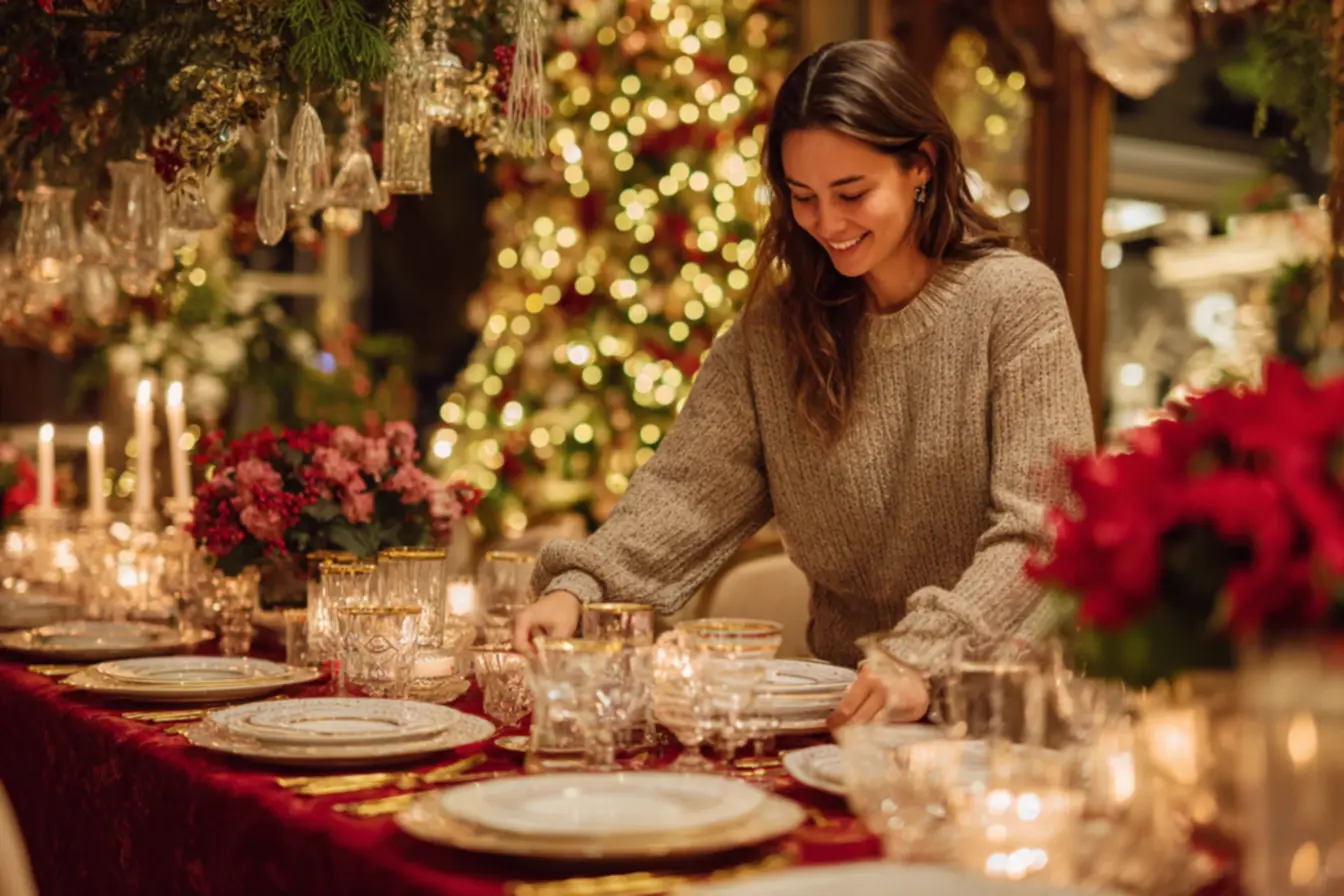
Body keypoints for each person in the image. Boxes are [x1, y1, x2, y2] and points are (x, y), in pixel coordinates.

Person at [512, 39, 1095, 728]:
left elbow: (1043, 531)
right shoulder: (775, 334)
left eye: (852, 193)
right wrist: (582, 589)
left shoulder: (1014, 300)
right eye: (803, 198)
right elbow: (686, 491)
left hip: (1012, 725)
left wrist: (921, 656)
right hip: (849, 724)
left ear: (921, 167)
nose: (828, 224)